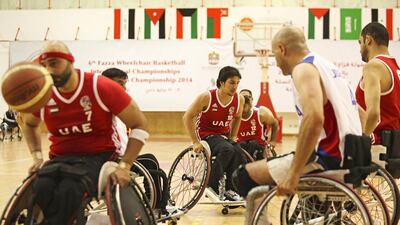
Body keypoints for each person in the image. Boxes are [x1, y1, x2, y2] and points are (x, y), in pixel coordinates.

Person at [21, 41, 148, 225]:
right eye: (44, 65)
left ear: (70, 62)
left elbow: (140, 124)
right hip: (60, 158)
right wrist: (37, 156)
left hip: (99, 156)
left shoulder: (100, 86)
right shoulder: (45, 94)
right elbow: (29, 124)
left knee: (69, 189)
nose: (49, 70)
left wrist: (125, 166)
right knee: (41, 186)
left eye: (54, 63)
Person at [233, 26, 362, 197]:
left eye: (274, 54)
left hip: (328, 158)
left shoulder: (303, 69)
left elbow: (314, 118)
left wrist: (293, 174)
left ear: (282, 49)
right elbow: (363, 114)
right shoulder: (328, 67)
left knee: (242, 176)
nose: (276, 62)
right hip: (354, 155)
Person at [183, 66, 246, 200]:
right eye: (231, 82)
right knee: (227, 149)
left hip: (222, 136)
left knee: (238, 151)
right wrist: (195, 141)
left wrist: (233, 136)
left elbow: (238, 117)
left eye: (237, 83)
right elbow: (187, 117)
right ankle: (210, 184)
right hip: (206, 135)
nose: (235, 86)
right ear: (221, 82)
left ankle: (230, 189)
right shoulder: (207, 97)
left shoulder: (239, 99)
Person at [356, 22, 400, 147]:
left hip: (379, 146)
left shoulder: (373, 66)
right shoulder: (395, 68)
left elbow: (373, 113)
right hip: (394, 148)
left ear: (368, 40)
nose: (360, 49)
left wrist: (362, 142)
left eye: (360, 42)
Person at [237, 90, 279, 160]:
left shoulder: (261, 113)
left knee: (253, 144)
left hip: (258, 146)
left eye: (248, 97)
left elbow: (274, 124)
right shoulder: (234, 114)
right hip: (241, 146)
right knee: (239, 146)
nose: (245, 99)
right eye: (243, 97)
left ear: (252, 99)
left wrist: (272, 141)